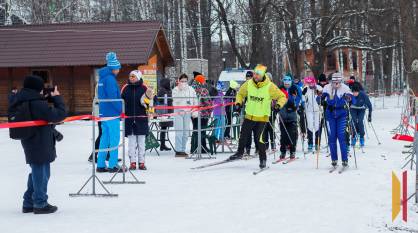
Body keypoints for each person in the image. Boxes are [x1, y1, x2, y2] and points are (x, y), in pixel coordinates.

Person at [14, 75, 66, 214]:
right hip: (39, 141)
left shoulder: (22, 99)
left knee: (37, 171)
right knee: (41, 173)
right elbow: (59, 115)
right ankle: (40, 203)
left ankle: (29, 202)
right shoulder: (36, 102)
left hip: (31, 139)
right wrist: (57, 98)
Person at [228, 64, 287, 168]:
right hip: (249, 116)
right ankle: (239, 153)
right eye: (254, 73)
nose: (255, 76)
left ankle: (263, 160)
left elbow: (282, 96)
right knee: (243, 136)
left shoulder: (270, 86)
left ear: (263, 75)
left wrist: (278, 105)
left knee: (259, 139)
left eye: (258, 74)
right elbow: (240, 94)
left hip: (262, 118)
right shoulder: (248, 84)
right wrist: (238, 103)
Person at [320, 73, 354, 168]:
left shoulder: (345, 88)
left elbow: (352, 98)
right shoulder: (327, 87)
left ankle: (344, 160)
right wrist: (321, 98)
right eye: (334, 82)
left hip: (341, 115)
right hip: (330, 115)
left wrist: (349, 98)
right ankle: (334, 159)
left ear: (341, 81)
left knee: (341, 136)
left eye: (337, 82)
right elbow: (321, 97)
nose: (336, 84)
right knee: (332, 137)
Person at [96, 52, 123, 173]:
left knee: (104, 139)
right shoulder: (110, 79)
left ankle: (100, 164)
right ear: (114, 68)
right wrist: (120, 110)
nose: (119, 70)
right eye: (118, 68)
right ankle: (113, 165)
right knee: (114, 139)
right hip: (112, 114)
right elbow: (113, 98)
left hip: (103, 114)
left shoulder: (102, 78)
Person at [121, 70, 152, 170]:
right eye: (130, 76)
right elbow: (121, 101)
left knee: (141, 143)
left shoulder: (144, 88)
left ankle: (142, 162)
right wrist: (122, 112)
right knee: (131, 143)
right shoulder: (125, 88)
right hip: (129, 120)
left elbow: (150, 102)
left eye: (133, 76)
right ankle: (132, 162)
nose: (131, 78)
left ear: (138, 77)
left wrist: (150, 111)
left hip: (141, 119)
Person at [172, 74, 198, 157]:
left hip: (187, 112)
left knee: (186, 132)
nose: (183, 83)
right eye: (182, 81)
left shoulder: (191, 89)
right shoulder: (175, 89)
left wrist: (195, 111)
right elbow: (176, 100)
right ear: (179, 81)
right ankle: (178, 150)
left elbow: (195, 100)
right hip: (178, 112)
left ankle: (183, 149)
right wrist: (181, 90)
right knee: (179, 132)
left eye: (185, 81)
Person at [278, 75, 301, 159]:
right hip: (283, 115)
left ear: (291, 82)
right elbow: (277, 99)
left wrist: (295, 104)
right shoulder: (280, 89)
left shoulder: (295, 88)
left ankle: (292, 151)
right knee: (283, 135)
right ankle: (283, 151)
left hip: (292, 115)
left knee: (292, 134)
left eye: (288, 83)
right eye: (285, 83)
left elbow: (299, 97)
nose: (287, 85)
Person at [190, 74, 213, 154]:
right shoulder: (203, 90)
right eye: (203, 81)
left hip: (193, 113)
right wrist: (210, 108)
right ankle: (202, 147)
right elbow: (207, 102)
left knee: (195, 130)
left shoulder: (191, 89)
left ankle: (193, 148)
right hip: (203, 114)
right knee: (202, 131)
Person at [303, 76, 323, 152]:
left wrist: (321, 100)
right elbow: (302, 98)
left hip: (318, 110)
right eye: (308, 83)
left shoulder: (318, 88)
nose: (310, 84)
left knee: (317, 127)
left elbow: (323, 97)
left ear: (314, 82)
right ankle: (310, 143)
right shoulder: (306, 88)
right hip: (309, 110)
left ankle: (317, 144)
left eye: (311, 83)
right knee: (310, 126)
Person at [350, 82, 372, 147]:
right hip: (353, 109)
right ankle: (353, 136)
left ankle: (361, 137)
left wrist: (370, 115)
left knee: (360, 121)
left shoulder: (363, 95)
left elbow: (369, 105)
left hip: (361, 109)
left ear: (359, 91)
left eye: (356, 92)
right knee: (353, 121)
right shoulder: (350, 95)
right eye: (353, 92)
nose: (355, 94)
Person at [156, 78, 173, 151]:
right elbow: (159, 99)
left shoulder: (166, 90)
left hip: (167, 111)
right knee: (163, 127)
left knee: (164, 128)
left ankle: (163, 144)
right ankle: (162, 145)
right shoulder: (162, 90)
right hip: (164, 111)